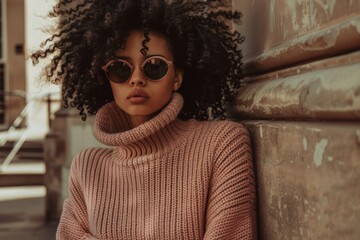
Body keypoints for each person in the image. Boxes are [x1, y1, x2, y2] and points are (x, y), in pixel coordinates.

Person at [32, 0, 257, 239]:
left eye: (154, 66)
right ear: (106, 79)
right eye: (120, 68)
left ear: (177, 77)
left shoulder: (222, 144)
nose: (137, 79)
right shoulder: (87, 167)